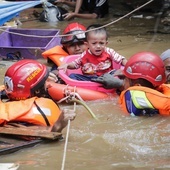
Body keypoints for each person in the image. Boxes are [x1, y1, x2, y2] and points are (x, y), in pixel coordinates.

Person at [0, 59, 76, 132]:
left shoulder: (10, 95)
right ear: (37, 90)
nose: (50, 85)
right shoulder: (21, 121)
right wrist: (58, 125)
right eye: (45, 82)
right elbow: (38, 135)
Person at [92, 51, 170, 116]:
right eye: (168, 69)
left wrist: (121, 84)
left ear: (138, 86)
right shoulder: (162, 89)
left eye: (125, 79)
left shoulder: (135, 94)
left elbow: (138, 92)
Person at [58, 24, 127, 81]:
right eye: (94, 43)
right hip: (90, 79)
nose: (98, 46)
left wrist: (128, 66)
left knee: (118, 72)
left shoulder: (109, 51)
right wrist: (67, 65)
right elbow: (75, 64)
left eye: (101, 43)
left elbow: (121, 59)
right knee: (72, 76)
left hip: (107, 77)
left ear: (106, 43)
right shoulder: (84, 55)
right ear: (87, 44)